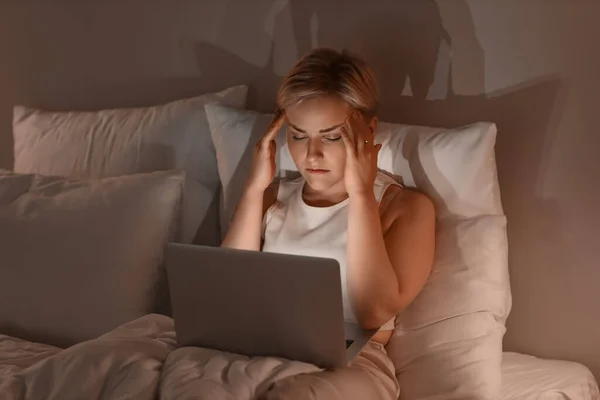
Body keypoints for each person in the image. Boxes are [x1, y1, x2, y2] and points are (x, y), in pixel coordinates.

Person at [221, 48, 436, 400]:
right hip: (261, 353)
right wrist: (253, 188)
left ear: (369, 130)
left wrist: (362, 195)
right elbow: (228, 292)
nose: (312, 154)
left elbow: (373, 313)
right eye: (298, 135)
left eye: (332, 136)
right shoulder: (272, 197)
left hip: (351, 365)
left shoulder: (405, 207)